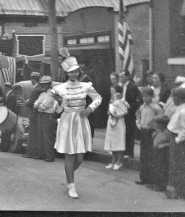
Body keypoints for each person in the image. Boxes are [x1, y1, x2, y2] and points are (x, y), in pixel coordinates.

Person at [51, 48, 102, 199]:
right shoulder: (59, 88)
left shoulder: (86, 86)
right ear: (67, 73)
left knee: (80, 157)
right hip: (67, 121)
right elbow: (56, 108)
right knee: (70, 155)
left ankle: (69, 177)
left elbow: (98, 98)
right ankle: (72, 186)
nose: (74, 74)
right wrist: (59, 102)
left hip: (81, 121)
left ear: (79, 72)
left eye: (76, 71)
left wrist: (90, 108)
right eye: (71, 72)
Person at [165, 87, 185, 199]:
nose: (173, 100)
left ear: (180, 99)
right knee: (174, 165)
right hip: (174, 137)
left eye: (174, 98)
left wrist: (178, 139)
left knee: (179, 165)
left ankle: (181, 191)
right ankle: (175, 190)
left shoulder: (183, 111)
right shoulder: (179, 109)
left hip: (178, 141)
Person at [135, 87, 163, 187]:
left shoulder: (156, 107)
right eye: (143, 96)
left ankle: (151, 179)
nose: (144, 99)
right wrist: (139, 125)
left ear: (152, 96)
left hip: (151, 132)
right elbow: (138, 115)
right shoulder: (142, 107)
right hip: (143, 131)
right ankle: (143, 177)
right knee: (143, 155)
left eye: (147, 96)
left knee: (151, 155)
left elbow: (161, 118)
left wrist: (156, 129)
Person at [33, 76, 59, 162]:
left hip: (48, 116)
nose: (44, 86)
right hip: (42, 115)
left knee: (47, 136)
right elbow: (35, 104)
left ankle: (50, 156)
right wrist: (39, 105)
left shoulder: (51, 95)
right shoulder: (42, 94)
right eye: (43, 84)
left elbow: (43, 106)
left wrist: (39, 105)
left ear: (50, 84)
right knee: (40, 135)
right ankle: (41, 154)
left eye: (46, 84)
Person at [104, 85, 128, 170]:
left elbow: (124, 111)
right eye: (111, 91)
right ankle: (113, 160)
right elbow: (109, 111)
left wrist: (116, 114)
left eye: (113, 91)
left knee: (119, 141)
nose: (112, 93)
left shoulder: (122, 101)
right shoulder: (112, 101)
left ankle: (119, 161)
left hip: (119, 122)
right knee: (112, 141)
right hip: (111, 121)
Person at [120, 70, 142, 158]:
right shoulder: (121, 86)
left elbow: (137, 101)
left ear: (127, 77)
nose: (120, 79)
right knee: (123, 132)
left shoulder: (132, 86)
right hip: (122, 113)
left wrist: (128, 106)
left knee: (130, 132)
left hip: (130, 113)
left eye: (122, 77)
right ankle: (123, 150)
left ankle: (129, 152)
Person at [23, 72, 44, 159]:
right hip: (40, 114)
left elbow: (31, 103)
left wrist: (26, 102)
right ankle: (37, 153)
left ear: (32, 79)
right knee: (38, 134)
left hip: (34, 114)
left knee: (32, 135)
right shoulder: (41, 88)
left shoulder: (36, 90)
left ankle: (30, 153)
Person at [0, 82, 16, 153]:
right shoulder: (8, 95)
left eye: (4, 88)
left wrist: (4, 109)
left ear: (7, 88)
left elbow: (11, 107)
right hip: (6, 115)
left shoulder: (12, 95)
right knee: (4, 132)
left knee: (6, 133)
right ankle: (3, 148)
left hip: (9, 116)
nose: (3, 89)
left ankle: (4, 148)